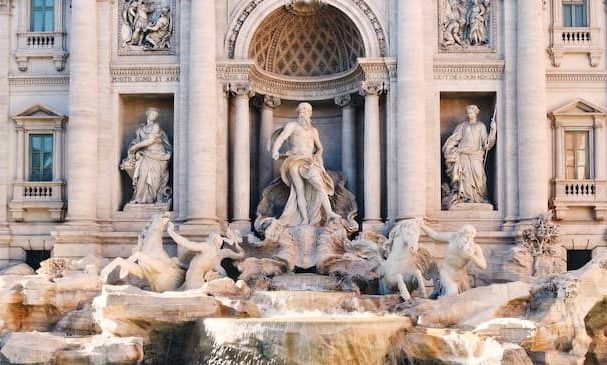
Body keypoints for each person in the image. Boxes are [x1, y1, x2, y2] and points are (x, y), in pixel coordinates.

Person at [270, 102, 341, 226]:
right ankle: (304, 219)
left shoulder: (313, 131)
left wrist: (318, 155)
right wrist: (275, 150)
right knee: (299, 191)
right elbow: (281, 138)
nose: (304, 111)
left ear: (310, 113)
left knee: (319, 185)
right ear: (298, 111)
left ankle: (329, 212)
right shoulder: (292, 125)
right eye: (302, 109)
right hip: (294, 160)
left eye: (307, 110)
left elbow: (320, 147)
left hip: (309, 161)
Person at [442, 104, 496, 208]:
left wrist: (493, 131)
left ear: (476, 113)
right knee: (464, 178)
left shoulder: (481, 126)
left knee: (479, 176)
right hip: (463, 154)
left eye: (471, 112)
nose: (469, 114)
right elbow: (454, 139)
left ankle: (479, 198)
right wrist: (449, 148)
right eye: (468, 113)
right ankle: (465, 198)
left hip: (476, 155)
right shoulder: (463, 126)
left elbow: (487, 144)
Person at [420, 222, 487, 297]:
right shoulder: (453, 237)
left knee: (465, 299)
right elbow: (435, 235)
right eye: (465, 235)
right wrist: (422, 225)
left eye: (470, 237)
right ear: (460, 234)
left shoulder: (474, 247)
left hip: (461, 277)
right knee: (452, 293)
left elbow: (483, 265)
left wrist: (472, 256)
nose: (467, 239)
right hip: (446, 273)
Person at [121, 108, 172, 206]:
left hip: (157, 155)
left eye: (155, 115)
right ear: (147, 114)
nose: (154, 116)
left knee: (155, 179)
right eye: (152, 114)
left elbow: (150, 140)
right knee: (142, 176)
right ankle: (139, 199)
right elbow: (136, 141)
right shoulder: (140, 129)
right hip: (144, 155)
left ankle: (153, 199)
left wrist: (136, 147)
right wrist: (134, 150)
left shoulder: (156, 126)